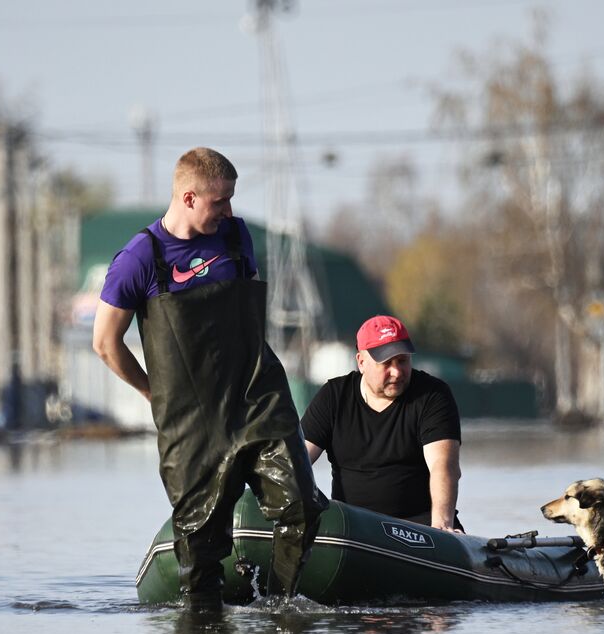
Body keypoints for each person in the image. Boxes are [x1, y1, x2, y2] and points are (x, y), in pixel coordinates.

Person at [92, 147, 326, 609]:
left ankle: (279, 608)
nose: (229, 211)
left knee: (301, 506)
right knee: (200, 546)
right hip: (191, 420)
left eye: (231, 200)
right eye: (220, 202)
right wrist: (150, 390)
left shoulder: (237, 238)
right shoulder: (141, 257)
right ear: (189, 197)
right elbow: (105, 342)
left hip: (258, 398)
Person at [301, 315, 463, 531]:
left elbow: (443, 466)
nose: (396, 372)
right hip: (352, 527)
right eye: (386, 363)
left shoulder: (433, 395)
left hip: (419, 527)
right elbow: (296, 461)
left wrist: (442, 525)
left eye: (402, 361)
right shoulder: (333, 396)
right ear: (361, 362)